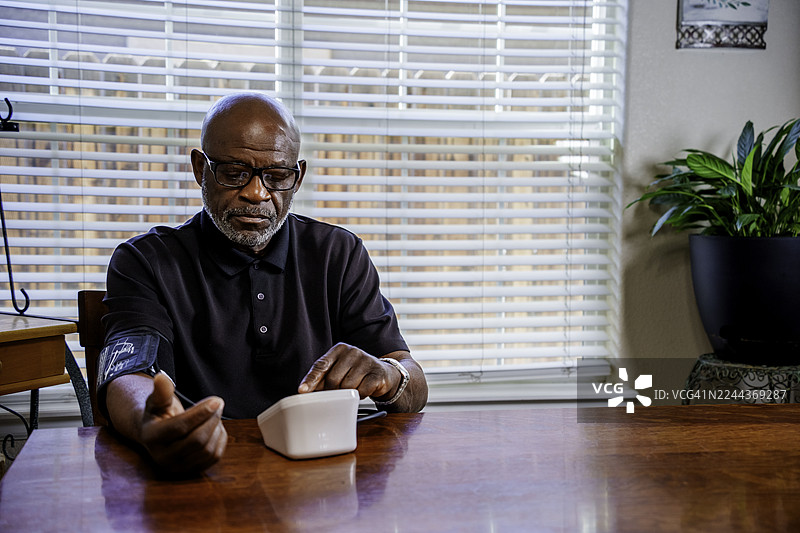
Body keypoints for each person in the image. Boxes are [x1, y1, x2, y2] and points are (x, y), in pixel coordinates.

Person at [98, 92, 428, 473]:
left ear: (298, 176)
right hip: (201, 469)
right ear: (199, 169)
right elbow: (127, 374)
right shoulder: (145, 261)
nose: (257, 193)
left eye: (276, 176)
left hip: (320, 478)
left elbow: (411, 378)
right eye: (234, 172)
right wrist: (151, 423)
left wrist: (389, 375)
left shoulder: (339, 253)